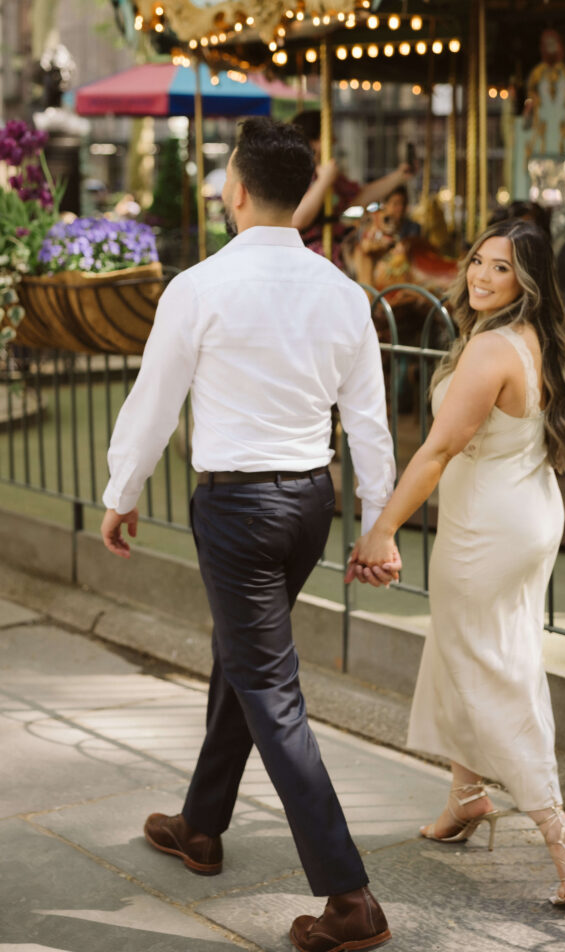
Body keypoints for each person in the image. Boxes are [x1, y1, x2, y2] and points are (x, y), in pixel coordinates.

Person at [100, 117, 397, 952]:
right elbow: (369, 427)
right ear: (302, 193)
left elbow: (153, 403)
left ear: (234, 189)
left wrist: (121, 493)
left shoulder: (196, 287)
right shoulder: (343, 293)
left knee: (270, 689)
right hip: (309, 505)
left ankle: (349, 899)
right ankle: (199, 824)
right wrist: (377, 524)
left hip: (235, 509)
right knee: (246, 657)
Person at [346, 219, 565, 906]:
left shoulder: (491, 348)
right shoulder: (535, 340)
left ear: (526, 281)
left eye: (500, 268)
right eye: (476, 261)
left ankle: (556, 823)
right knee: (477, 652)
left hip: (487, 527)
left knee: (487, 664)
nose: (480, 276)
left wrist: (381, 528)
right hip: (523, 510)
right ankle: (465, 797)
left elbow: (435, 451)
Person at [291, 109, 414, 270]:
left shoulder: (329, 175)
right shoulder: (296, 173)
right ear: (313, 140)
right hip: (307, 257)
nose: (334, 141)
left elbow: (359, 196)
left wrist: (398, 176)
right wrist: (323, 182)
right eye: (328, 136)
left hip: (333, 253)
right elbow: (297, 220)